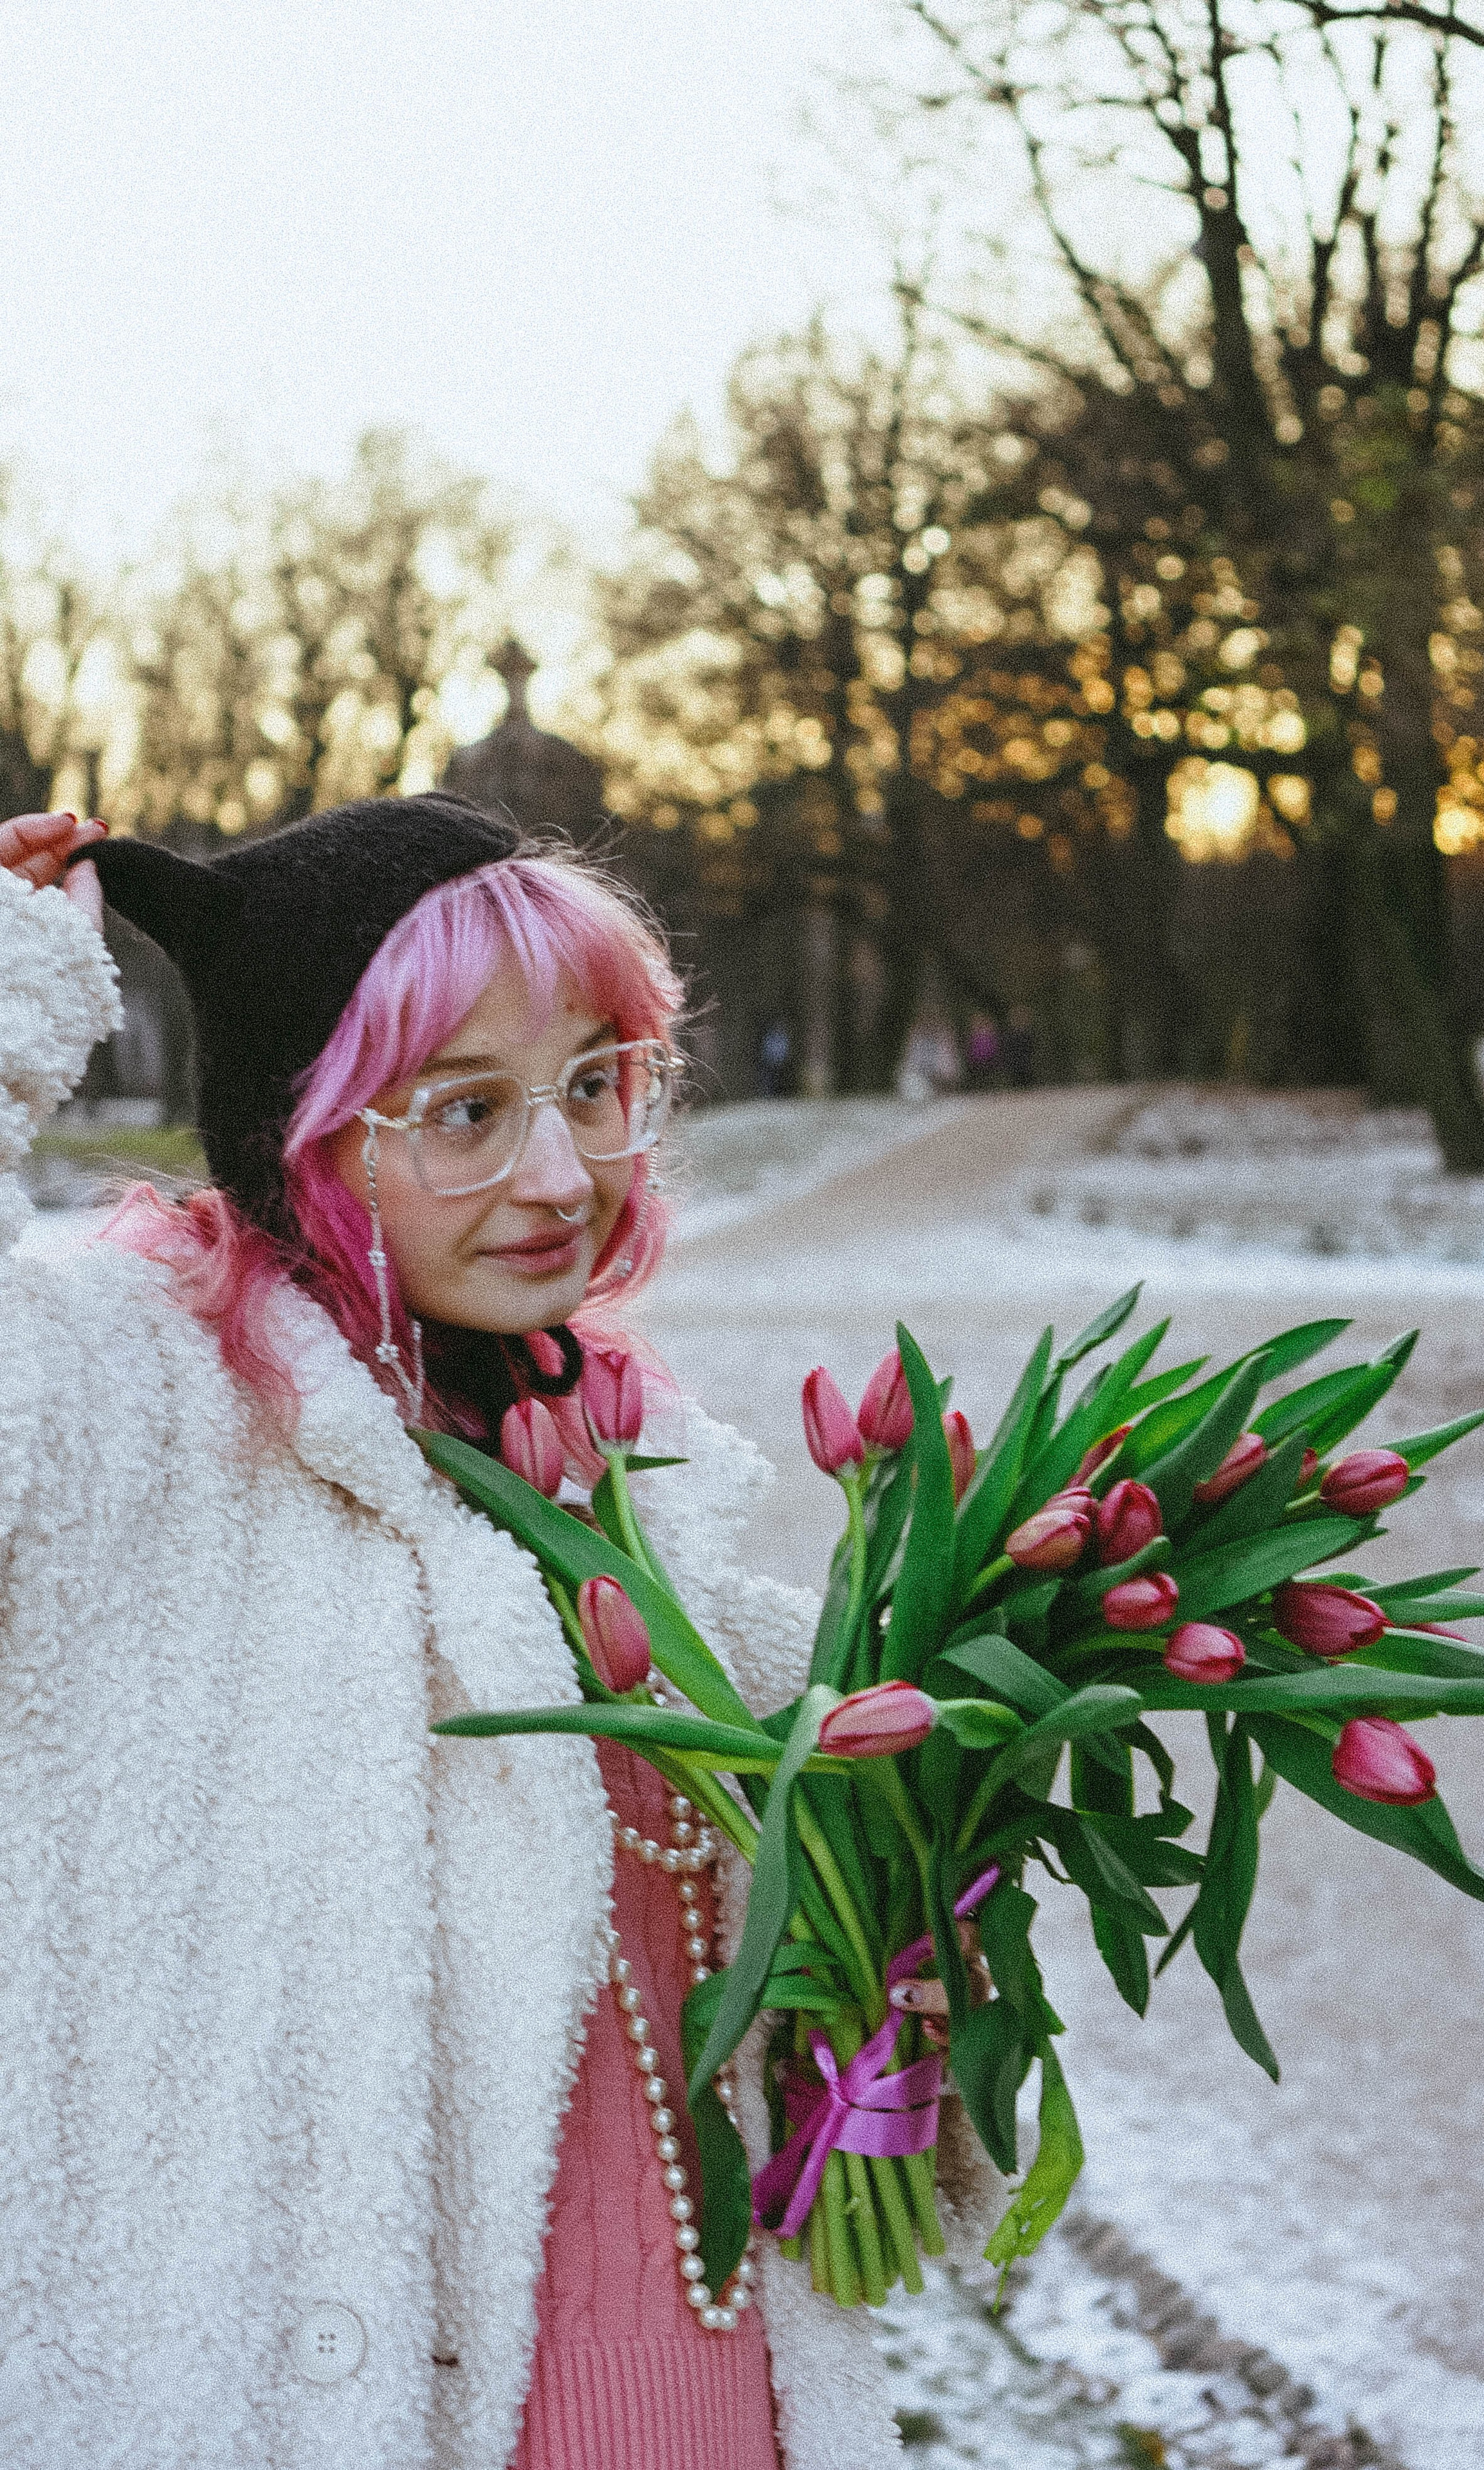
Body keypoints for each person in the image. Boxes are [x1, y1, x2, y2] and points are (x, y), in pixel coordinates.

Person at [0, 798, 996, 2470]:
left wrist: (907, 1872)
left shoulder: (622, 1472)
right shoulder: (136, 1410)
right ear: (300, 1135)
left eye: (598, 1085)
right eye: (467, 1111)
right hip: (341, 2400)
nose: (562, 1176)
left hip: (717, 2389)